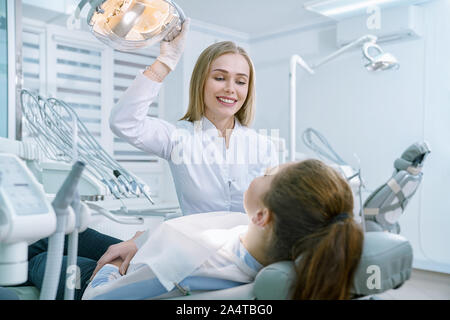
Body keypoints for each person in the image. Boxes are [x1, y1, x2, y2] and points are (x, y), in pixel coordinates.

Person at [83, 159, 364, 300]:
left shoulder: (195, 257)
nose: (261, 172)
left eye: (267, 175)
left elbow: (99, 298)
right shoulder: (266, 242)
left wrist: (113, 267)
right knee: (79, 233)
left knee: (45, 254)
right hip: (145, 259)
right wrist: (139, 240)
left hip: (115, 277)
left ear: (262, 217)